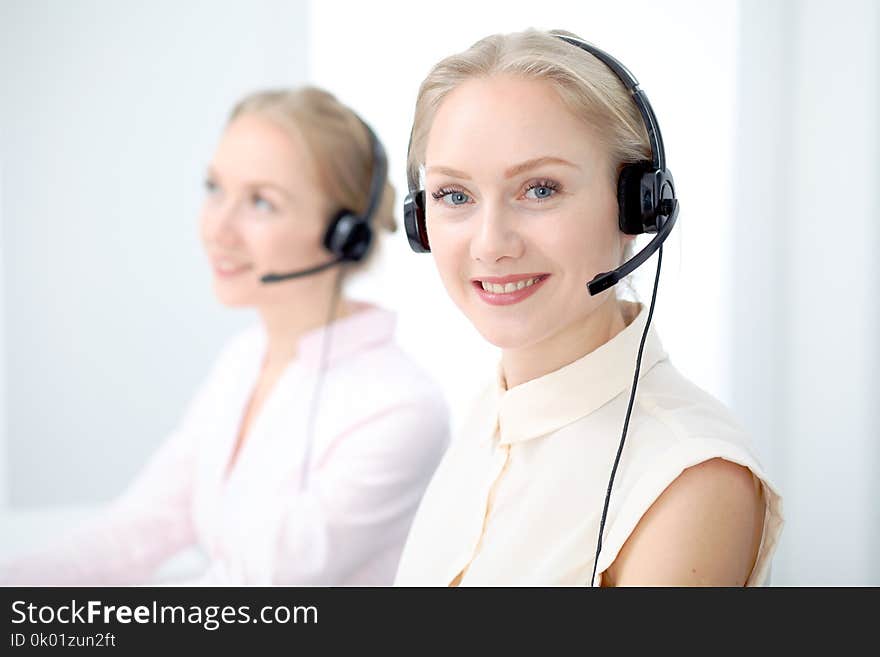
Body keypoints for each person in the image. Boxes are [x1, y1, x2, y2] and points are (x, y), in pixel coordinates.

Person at [1, 86, 449, 586]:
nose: (218, 228)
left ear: (344, 235)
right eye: (214, 188)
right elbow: (138, 529)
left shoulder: (401, 410)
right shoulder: (244, 359)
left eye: (261, 202)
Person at [393, 29, 783, 586]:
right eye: (455, 196)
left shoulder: (689, 476)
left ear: (638, 206)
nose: (490, 243)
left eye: (541, 189)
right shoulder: (492, 413)